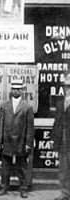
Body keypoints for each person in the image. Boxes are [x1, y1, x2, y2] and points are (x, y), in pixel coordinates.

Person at [0, 78, 34, 198]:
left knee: (21, 166)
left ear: (22, 90)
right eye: (14, 89)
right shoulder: (4, 106)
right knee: (5, 166)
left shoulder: (27, 107)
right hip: (7, 140)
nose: (16, 91)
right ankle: (3, 187)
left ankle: (23, 188)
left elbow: (30, 127)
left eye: (18, 89)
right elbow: (0, 124)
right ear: (11, 90)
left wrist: (28, 143)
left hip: (21, 141)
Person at [53, 72, 70, 200]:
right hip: (62, 141)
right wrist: (55, 140)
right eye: (65, 86)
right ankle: (65, 193)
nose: (67, 89)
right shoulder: (60, 102)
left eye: (69, 86)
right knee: (63, 169)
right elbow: (57, 122)